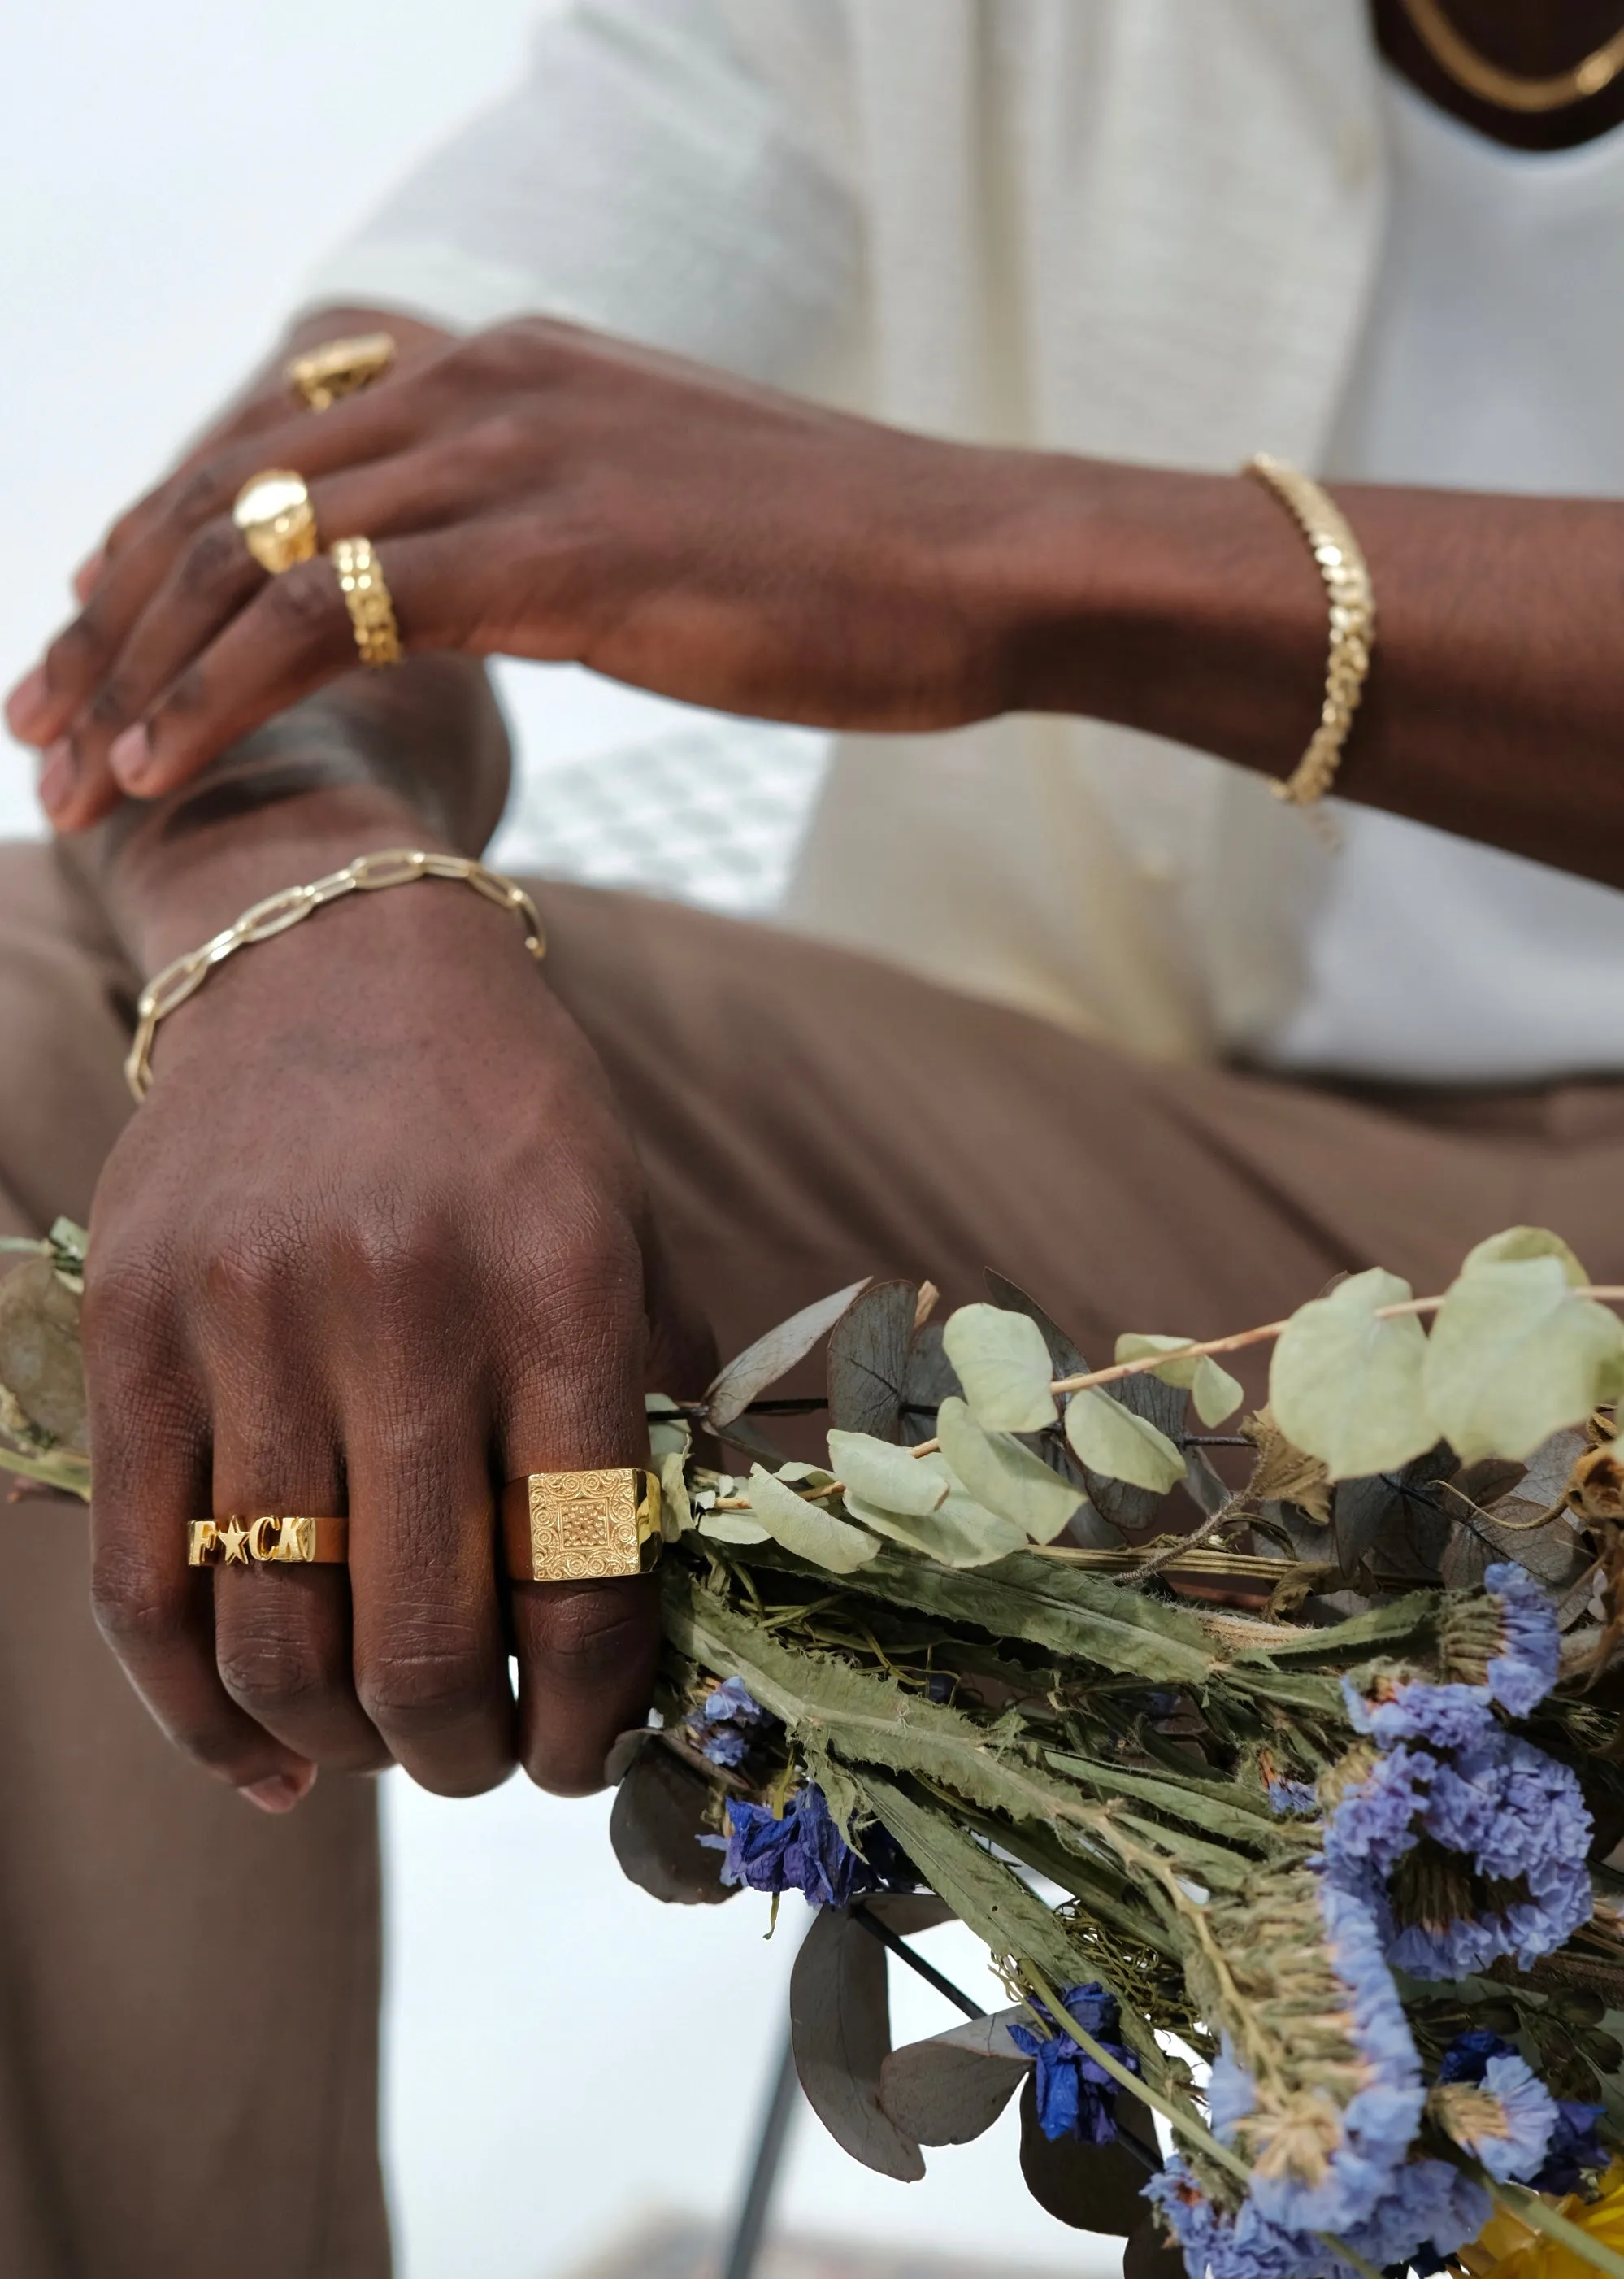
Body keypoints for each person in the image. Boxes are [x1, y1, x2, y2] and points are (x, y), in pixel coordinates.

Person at [6, 0, 1624, 2270]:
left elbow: (924, 543)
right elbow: (310, 502)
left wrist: (1019, 557)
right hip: (1183, 1220)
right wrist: (318, 903)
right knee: (48, 1036)